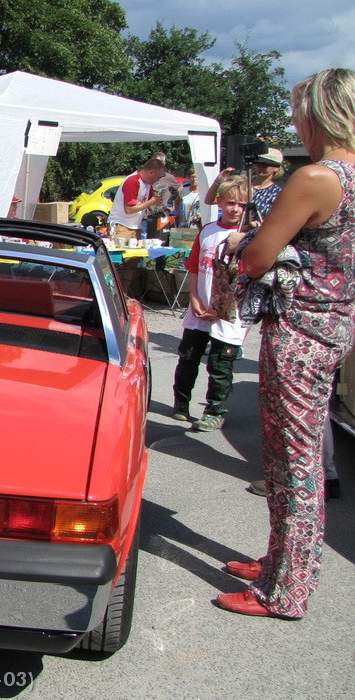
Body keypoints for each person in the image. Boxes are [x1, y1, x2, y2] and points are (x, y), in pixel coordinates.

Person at [218, 68, 355, 620]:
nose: (295, 122)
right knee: (289, 456)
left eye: (298, 110)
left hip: (300, 331)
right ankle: (280, 561)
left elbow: (256, 258)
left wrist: (241, 241)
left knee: (294, 462)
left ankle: (287, 591)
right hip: (334, 326)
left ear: (318, 113)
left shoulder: (317, 178)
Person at [170, 175, 250, 432]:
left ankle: (215, 411)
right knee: (188, 358)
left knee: (220, 365)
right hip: (200, 309)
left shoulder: (249, 237)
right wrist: (194, 298)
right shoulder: (207, 231)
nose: (235, 209)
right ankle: (181, 402)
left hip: (228, 315)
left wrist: (224, 307)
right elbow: (194, 267)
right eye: (230, 203)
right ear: (220, 202)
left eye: (241, 204)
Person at [205, 148, 286, 227]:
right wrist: (218, 181)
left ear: (277, 168)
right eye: (258, 164)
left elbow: (279, 221)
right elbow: (210, 200)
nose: (260, 168)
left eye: (264, 166)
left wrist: (257, 225)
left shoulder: (277, 193)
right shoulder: (243, 185)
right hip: (234, 230)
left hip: (257, 233)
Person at [106, 158, 166, 247]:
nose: (158, 180)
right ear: (152, 172)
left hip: (135, 226)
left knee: (136, 254)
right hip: (121, 225)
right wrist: (151, 202)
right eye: (158, 176)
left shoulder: (148, 185)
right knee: (118, 253)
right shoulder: (133, 181)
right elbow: (129, 209)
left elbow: (148, 203)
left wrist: (158, 204)